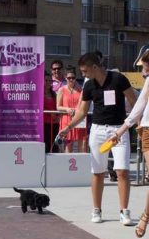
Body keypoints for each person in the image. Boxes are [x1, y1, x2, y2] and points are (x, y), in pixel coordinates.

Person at [58, 52, 137, 225]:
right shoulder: (88, 86)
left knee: (122, 170)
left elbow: (134, 101)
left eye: (85, 71)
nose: (83, 74)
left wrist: (133, 124)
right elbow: (82, 111)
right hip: (98, 131)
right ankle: (97, 210)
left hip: (119, 130)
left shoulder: (118, 79)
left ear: (95, 67)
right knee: (98, 172)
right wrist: (68, 126)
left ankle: (124, 211)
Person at [107, 49, 149, 237]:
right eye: (142, 65)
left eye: (145, 64)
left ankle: (145, 216)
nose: (143, 68)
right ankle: (145, 218)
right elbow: (137, 109)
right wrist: (120, 131)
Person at [57, 67, 87, 153]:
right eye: (69, 78)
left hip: (79, 119)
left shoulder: (80, 89)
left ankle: (82, 165)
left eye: (73, 78)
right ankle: (67, 165)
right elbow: (58, 106)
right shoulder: (61, 90)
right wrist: (67, 109)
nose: (71, 80)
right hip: (67, 119)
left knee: (82, 144)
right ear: (65, 78)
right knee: (68, 146)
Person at [43, 72, 59, 153]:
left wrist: (57, 116)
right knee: (46, 144)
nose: (49, 82)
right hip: (44, 123)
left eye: (50, 81)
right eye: (46, 80)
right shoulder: (39, 94)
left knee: (54, 144)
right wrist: (50, 113)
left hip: (54, 123)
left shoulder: (54, 94)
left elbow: (57, 106)